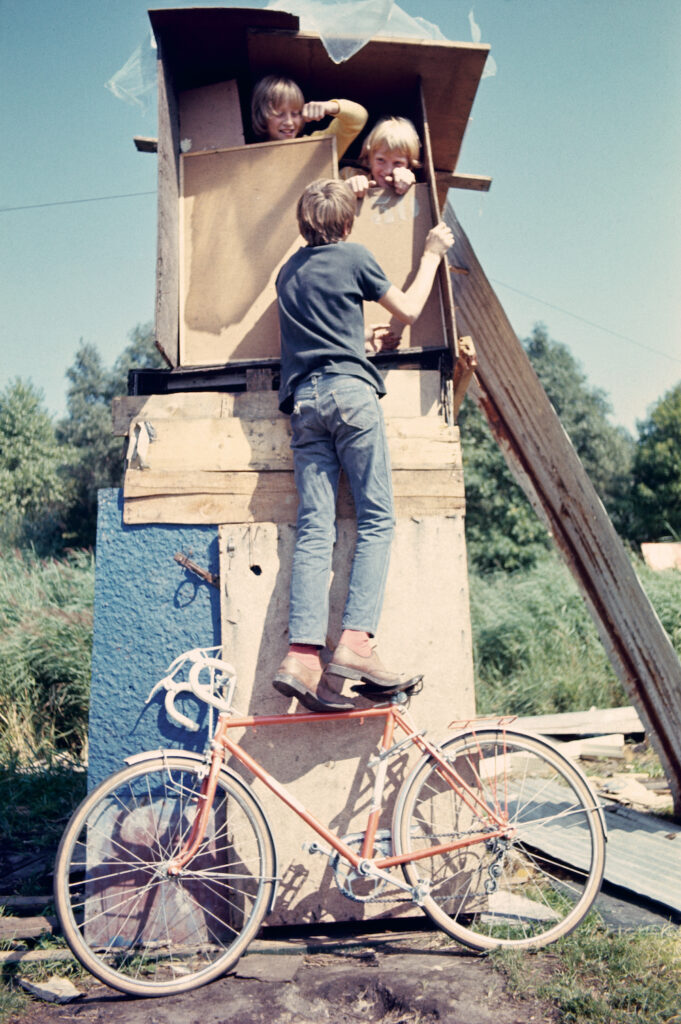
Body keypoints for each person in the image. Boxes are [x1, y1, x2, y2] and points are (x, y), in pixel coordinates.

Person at [273, 178, 454, 712]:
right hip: (351, 397)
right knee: (376, 518)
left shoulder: (287, 273)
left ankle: (302, 654)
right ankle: (356, 643)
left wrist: (360, 340)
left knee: (314, 529)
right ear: (348, 224)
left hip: (304, 404)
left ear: (303, 227)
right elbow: (409, 310)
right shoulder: (354, 256)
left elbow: (322, 329)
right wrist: (430, 255)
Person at [251, 75, 367, 158]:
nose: (289, 122)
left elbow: (359, 119)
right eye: (280, 114)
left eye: (295, 113)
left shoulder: (316, 148)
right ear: (262, 115)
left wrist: (330, 107)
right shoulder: (249, 156)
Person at [342, 116, 420, 198]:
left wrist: (410, 184)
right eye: (381, 160)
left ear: (409, 165)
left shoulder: (411, 182)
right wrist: (346, 189)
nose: (388, 171)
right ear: (369, 159)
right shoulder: (349, 174)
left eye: (398, 163)